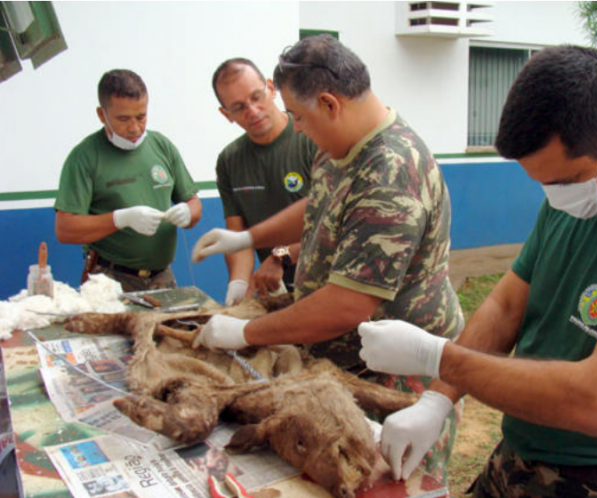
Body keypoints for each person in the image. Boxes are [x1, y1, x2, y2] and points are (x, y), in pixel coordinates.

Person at [359, 45, 597, 497]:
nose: (554, 197)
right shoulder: (582, 190)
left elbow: (596, 402)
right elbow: (505, 305)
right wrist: (438, 398)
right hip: (520, 450)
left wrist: (436, 356)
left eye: (562, 182)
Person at [192, 35, 463, 490]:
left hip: (393, 382)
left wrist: (244, 332)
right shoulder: (342, 146)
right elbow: (319, 203)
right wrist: (249, 237)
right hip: (344, 365)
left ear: (329, 103)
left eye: (298, 116)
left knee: (387, 484)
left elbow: (345, 306)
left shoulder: (390, 171)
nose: (295, 127)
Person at [55, 69, 202, 292]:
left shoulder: (161, 146)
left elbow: (194, 204)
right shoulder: (84, 158)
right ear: (102, 115)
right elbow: (65, 230)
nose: (134, 128)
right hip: (109, 279)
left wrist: (188, 212)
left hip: (162, 277)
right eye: (123, 119)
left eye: (141, 116)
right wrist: (120, 219)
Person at [212, 58, 316, 305]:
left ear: (271, 88)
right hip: (278, 291)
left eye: (257, 96)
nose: (253, 111)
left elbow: (335, 227)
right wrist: (239, 283)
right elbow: (238, 238)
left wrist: (281, 256)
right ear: (226, 114)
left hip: (328, 285)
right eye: (238, 107)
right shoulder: (230, 160)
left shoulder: (312, 138)